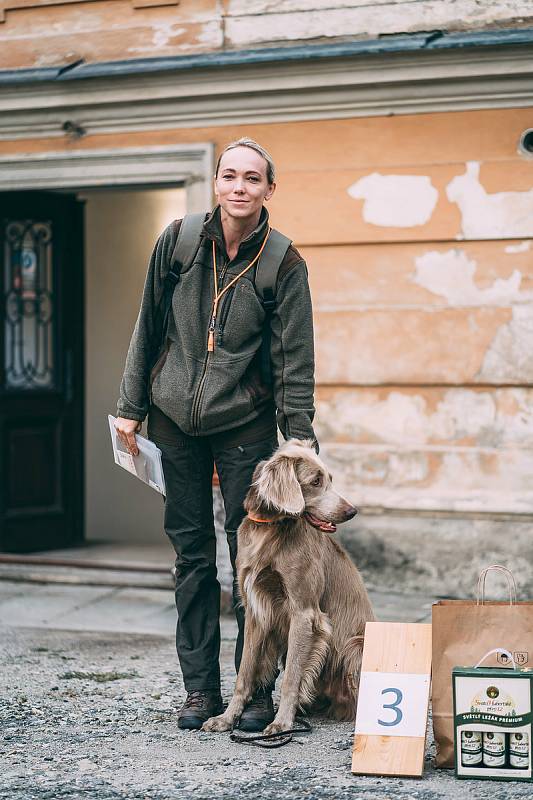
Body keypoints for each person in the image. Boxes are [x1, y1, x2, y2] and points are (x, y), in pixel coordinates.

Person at [115, 137, 317, 731]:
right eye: (229, 175)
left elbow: (294, 363)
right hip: (173, 421)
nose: (238, 187)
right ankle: (199, 689)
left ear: (268, 190)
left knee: (252, 564)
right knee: (191, 557)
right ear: (217, 184)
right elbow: (147, 326)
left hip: (244, 428)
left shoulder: (283, 262)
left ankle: (252, 693)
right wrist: (130, 405)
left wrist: (299, 441)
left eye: (252, 179)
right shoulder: (177, 243)